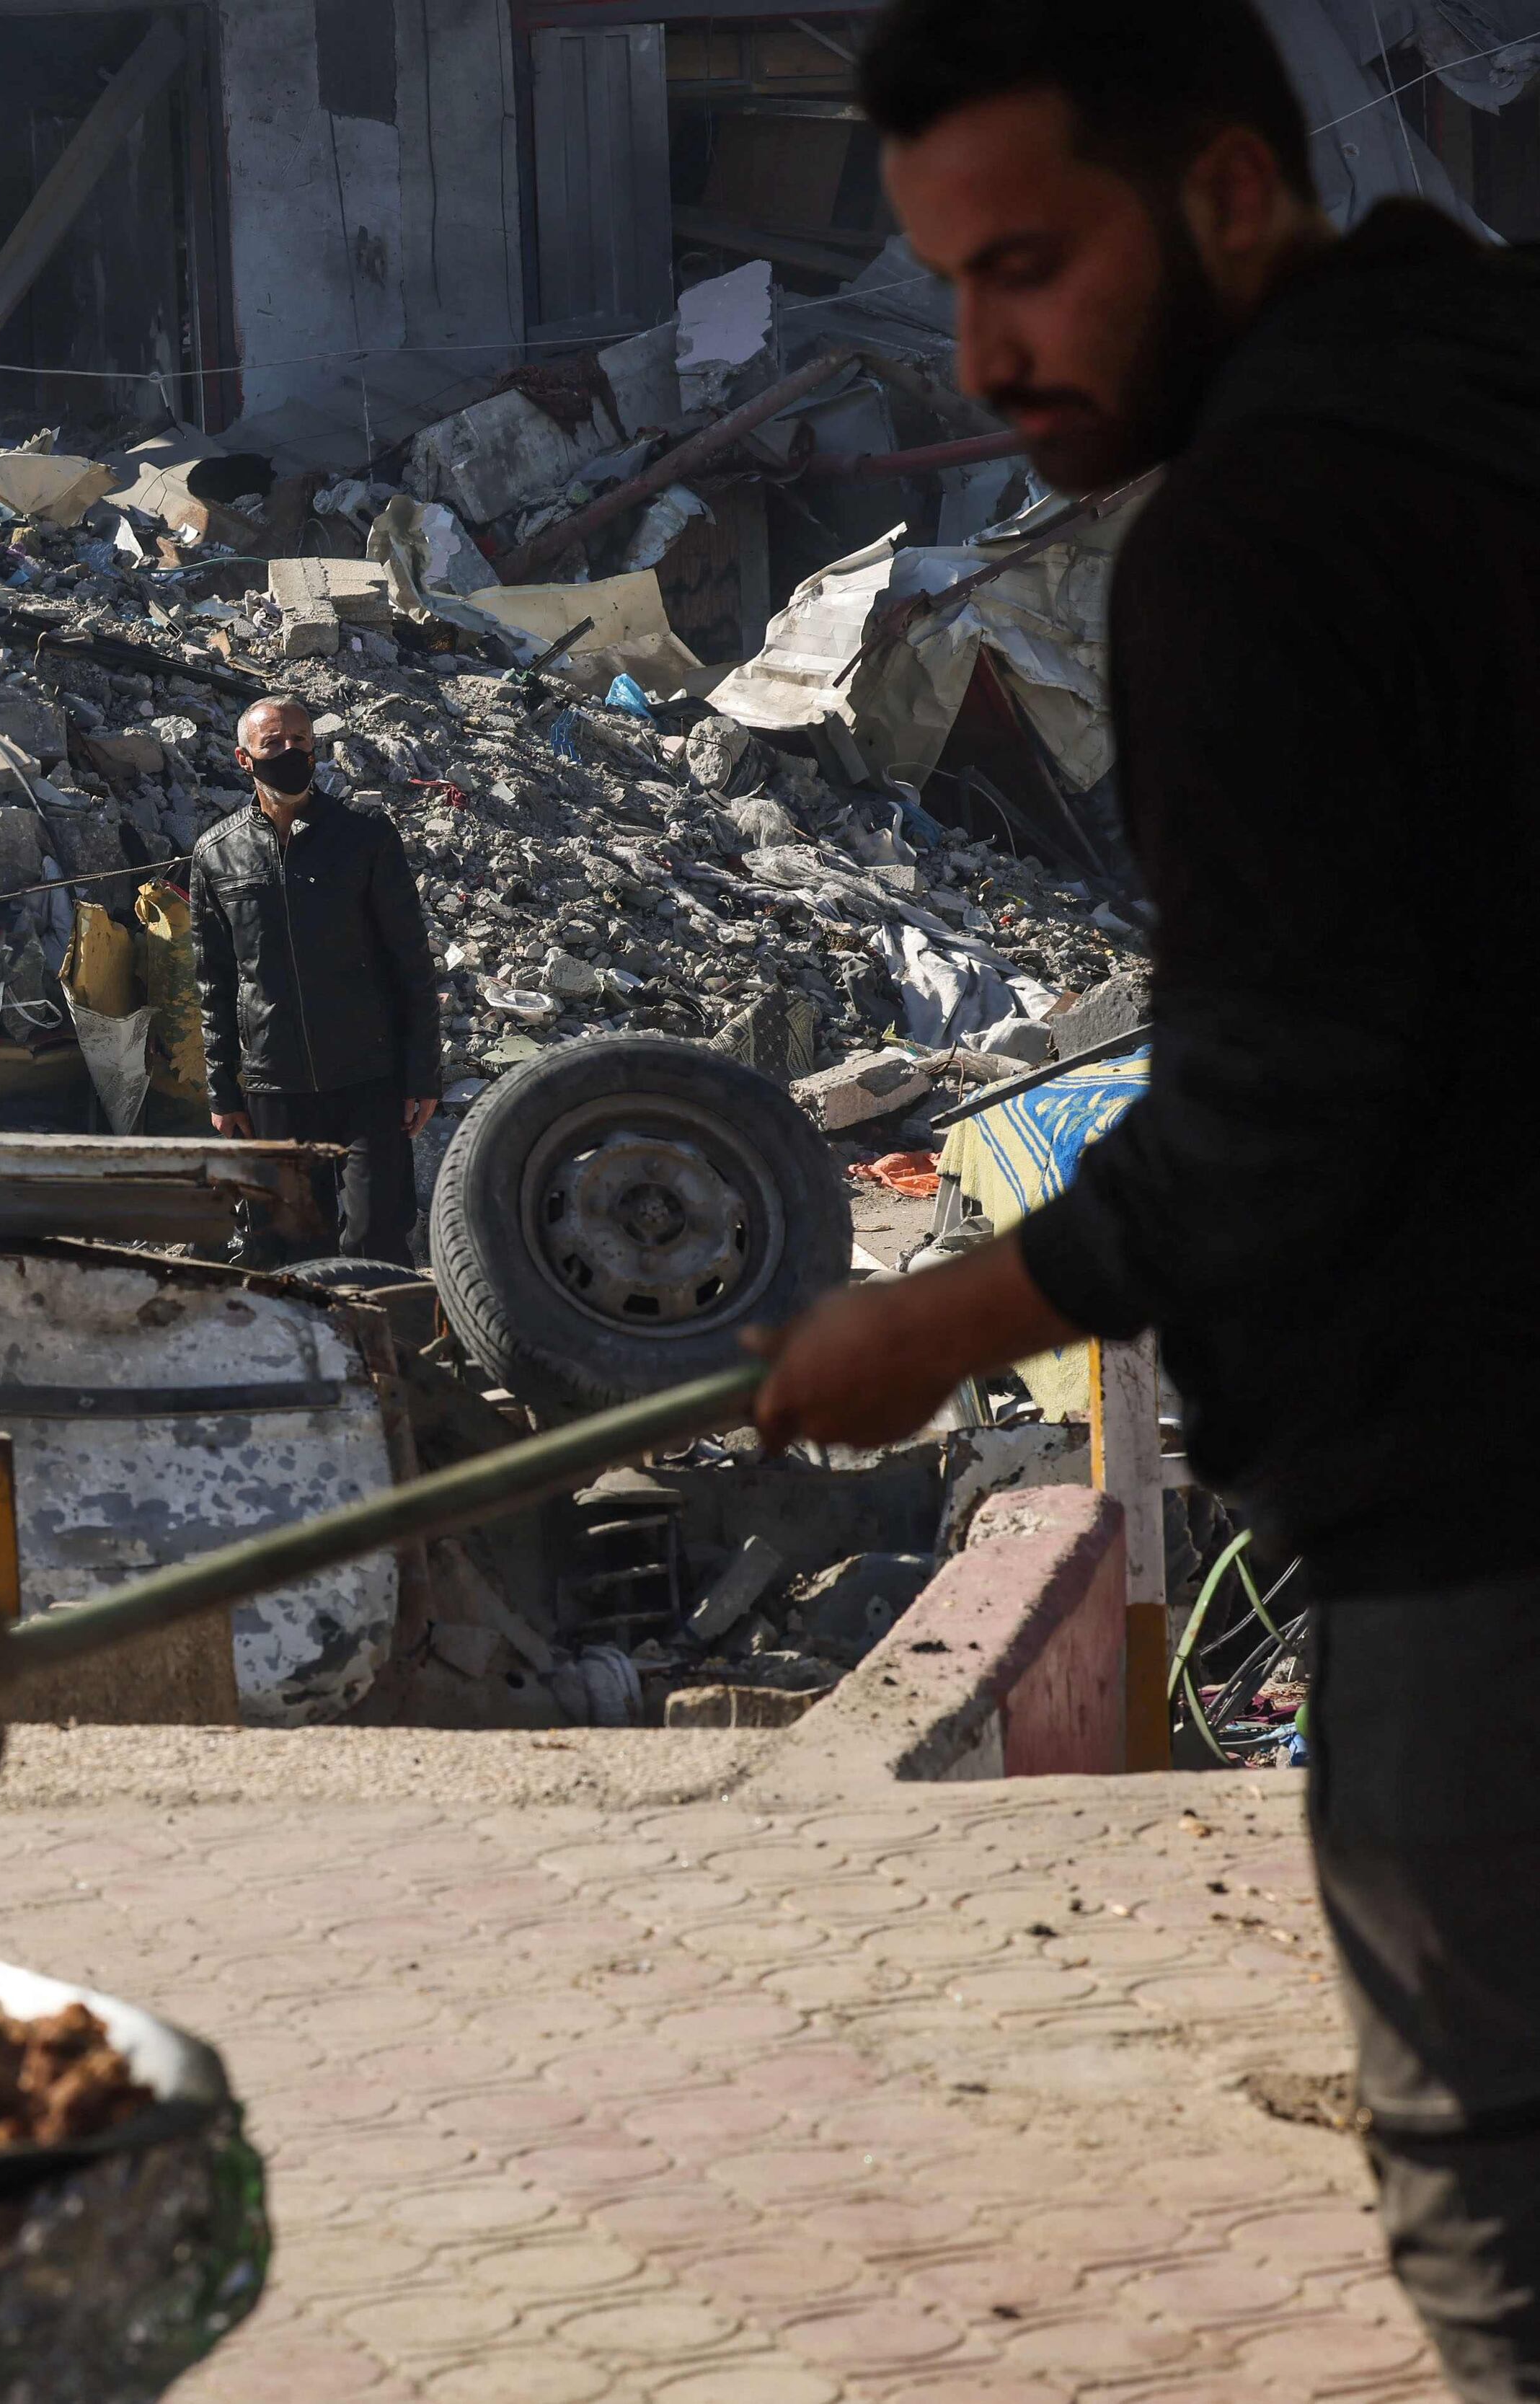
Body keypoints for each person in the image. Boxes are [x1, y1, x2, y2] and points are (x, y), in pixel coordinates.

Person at [749, 1, 1540, 2387]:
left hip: (1481, 1501)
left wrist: (945, 1315)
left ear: (1223, 196)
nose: (988, 359)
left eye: (1034, 268)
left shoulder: (1253, 540)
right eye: (949, 290)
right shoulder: (1496, 382)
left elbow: (1287, 1097)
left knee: (1493, 2186)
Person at [186, 695, 443, 1260]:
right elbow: (214, 982)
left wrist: (422, 1074)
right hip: (273, 1087)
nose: (289, 752)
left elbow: (410, 963)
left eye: (300, 741)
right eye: (273, 743)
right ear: (243, 758)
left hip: (367, 1078)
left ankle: (386, 1344)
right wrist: (222, 1090)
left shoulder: (364, 839)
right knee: (289, 1243)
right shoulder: (216, 853)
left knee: (375, 1237)